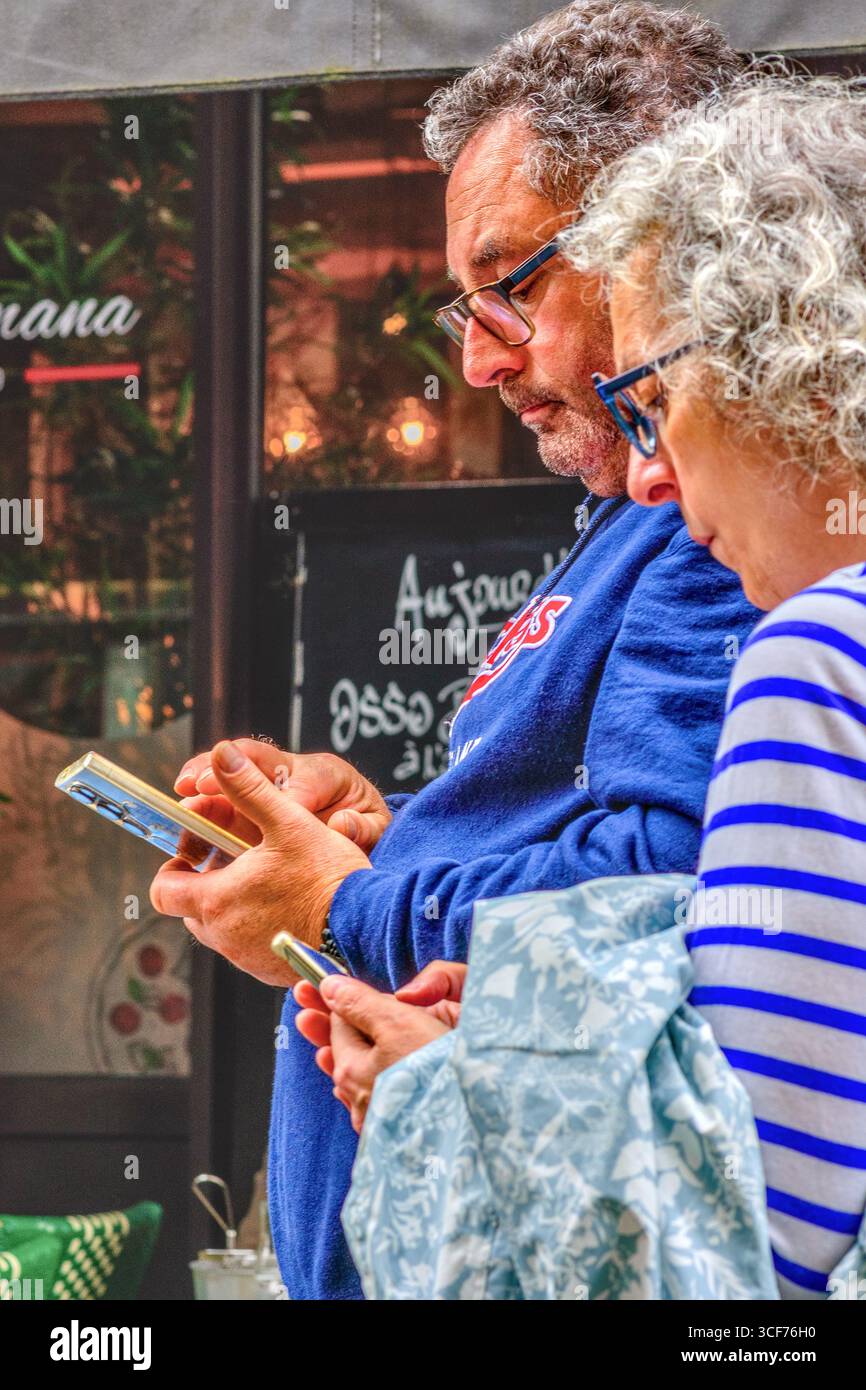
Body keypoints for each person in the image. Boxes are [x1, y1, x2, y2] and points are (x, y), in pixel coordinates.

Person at [149, 1, 757, 1300]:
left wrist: (336, 902)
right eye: (462, 302)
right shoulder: (638, 517)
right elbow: (582, 835)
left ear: (668, 241)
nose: (477, 359)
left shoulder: (728, 521)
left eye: (507, 286)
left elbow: (672, 885)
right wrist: (381, 829)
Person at [330, 73, 866, 1299]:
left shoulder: (822, 655)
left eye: (654, 398)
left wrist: (451, 1103)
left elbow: (731, 1272)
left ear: (783, 360)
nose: (646, 479)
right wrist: (553, 1016)